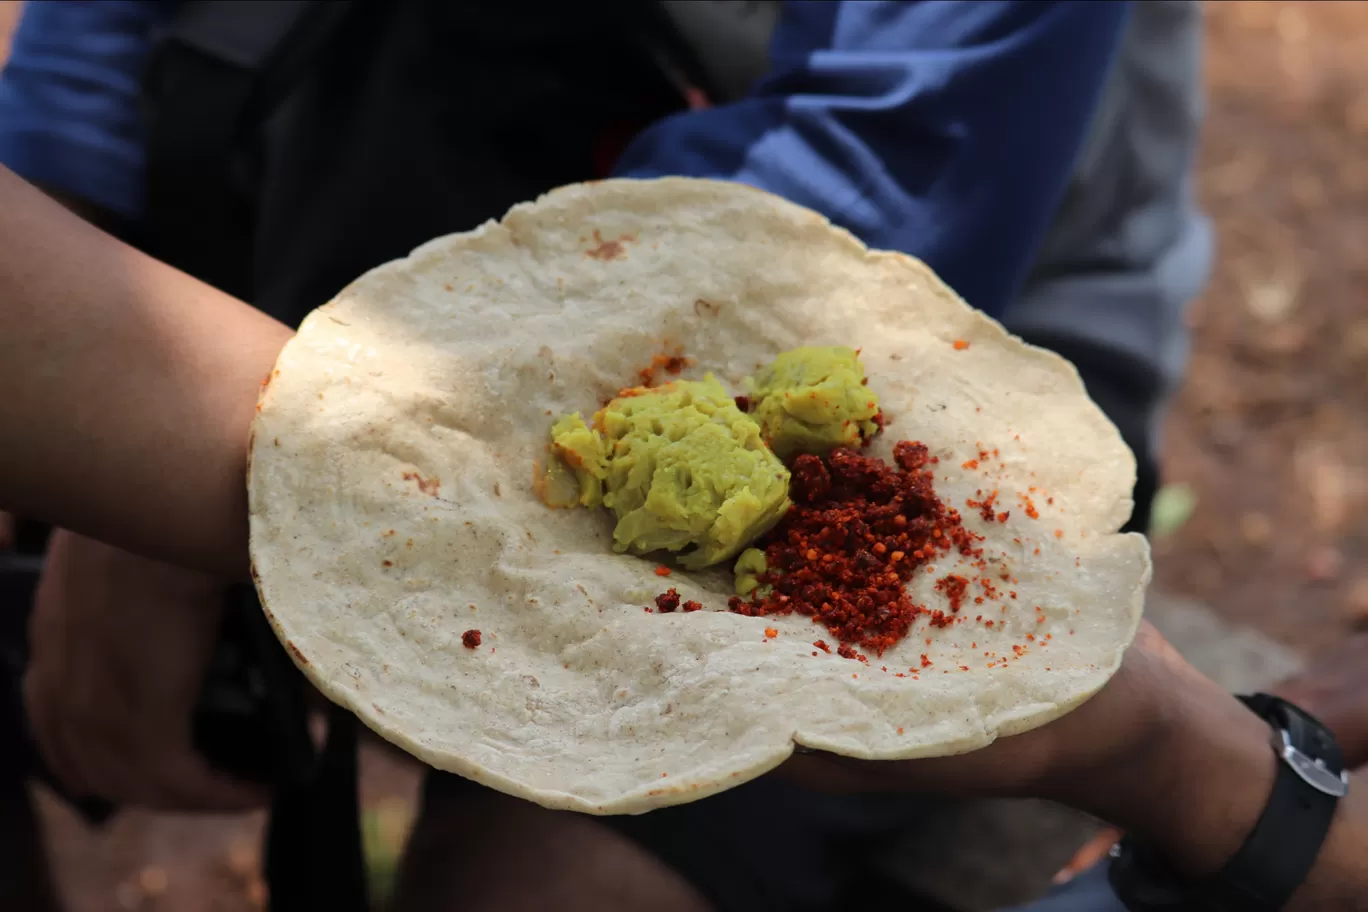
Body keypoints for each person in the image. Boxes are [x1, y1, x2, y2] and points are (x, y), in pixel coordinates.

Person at [0, 0, 1219, 908]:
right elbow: (115, 33)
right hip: (342, 212)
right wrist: (135, 299)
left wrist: (215, 461)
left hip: (939, 352)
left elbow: (877, 171)